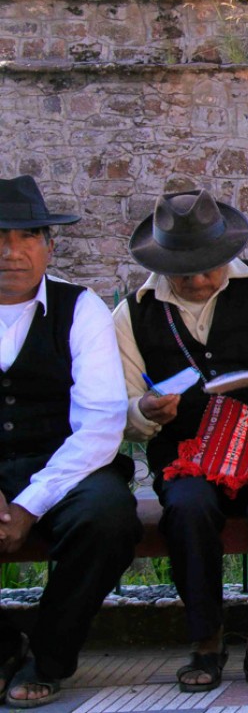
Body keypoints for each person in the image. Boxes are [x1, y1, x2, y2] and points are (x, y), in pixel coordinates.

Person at [114, 189, 248, 693]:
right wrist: (144, 411)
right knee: (187, 507)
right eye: (183, 271)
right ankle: (206, 640)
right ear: (162, 262)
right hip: (187, 450)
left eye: (209, 267)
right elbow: (120, 406)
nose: (198, 280)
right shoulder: (133, 313)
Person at [0, 176, 141, 708]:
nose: (11, 252)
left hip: (64, 466)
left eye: (26, 237)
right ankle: (2, 648)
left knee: (108, 517)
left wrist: (29, 504)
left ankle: (50, 656)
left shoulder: (80, 308)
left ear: (49, 245)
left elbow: (102, 422)